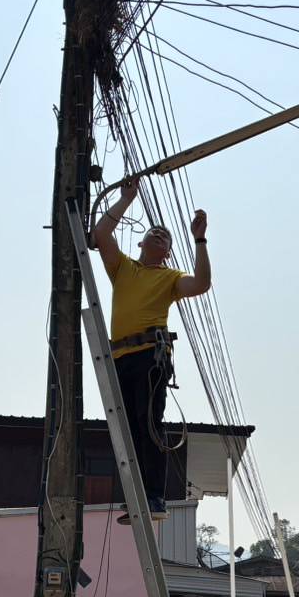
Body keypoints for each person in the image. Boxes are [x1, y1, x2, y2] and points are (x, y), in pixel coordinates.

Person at [91, 176, 211, 520]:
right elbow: (101, 235)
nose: (159, 234)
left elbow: (201, 283)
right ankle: (137, 499)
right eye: (154, 233)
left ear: (168, 252)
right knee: (127, 431)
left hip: (150, 357)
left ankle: (154, 497)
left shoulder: (169, 278)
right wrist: (127, 199)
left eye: (165, 236)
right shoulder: (124, 268)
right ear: (142, 242)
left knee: (149, 423)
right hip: (119, 358)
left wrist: (199, 239)